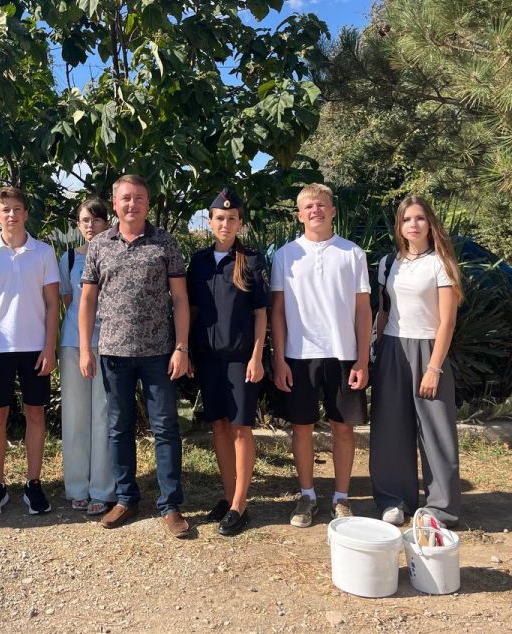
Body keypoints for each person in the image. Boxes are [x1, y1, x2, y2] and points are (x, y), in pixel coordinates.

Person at [79, 174, 192, 539]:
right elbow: (87, 301)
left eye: (139, 198)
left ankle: (170, 504)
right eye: (125, 198)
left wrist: (182, 347)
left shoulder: (165, 243)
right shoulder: (99, 245)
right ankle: (126, 498)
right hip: (113, 352)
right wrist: (85, 348)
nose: (132, 204)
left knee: (165, 428)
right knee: (119, 428)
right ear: (115, 204)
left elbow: (179, 300)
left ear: (148, 203)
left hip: (159, 353)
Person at [270, 183, 372, 527]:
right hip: (299, 355)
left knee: (343, 428)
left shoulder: (352, 253)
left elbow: (363, 310)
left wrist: (361, 358)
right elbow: (278, 311)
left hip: (343, 355)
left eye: (322, 205)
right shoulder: (285, 255)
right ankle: (307, 495)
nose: (315, 210)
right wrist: (279, 357)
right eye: (309, 206)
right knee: (302, 428)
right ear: (299, 214)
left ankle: (341, 498)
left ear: (332, 210)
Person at [371, 195, 463, 528]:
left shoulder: (441, 263)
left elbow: (447, 322)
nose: (414, 224)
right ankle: (394, 500)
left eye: (420, 218)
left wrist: (434, 367)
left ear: (430, 222)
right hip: (392, 350)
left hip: (429, 350)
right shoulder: (387, 263)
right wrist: (376, 353)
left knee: (436, 431)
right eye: (407, 219)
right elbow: (383, 312)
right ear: (400, 225)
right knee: (390, 430)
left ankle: (441, 508)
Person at [0, 187, 60, 518]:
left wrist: (50, 346)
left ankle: (33, 483)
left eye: (17, 209)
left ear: (25, 214)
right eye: (5, 210)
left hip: (36, 348)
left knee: (36, 415)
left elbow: (52, 305)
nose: (11, 215)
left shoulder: (44, 252)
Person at [187, 189, 269, 536]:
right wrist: (188, 351)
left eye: (232, 218)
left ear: (240, 223)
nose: (225, 223)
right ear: (210, 222)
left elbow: (261, 313)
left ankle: (240, 503)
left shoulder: (250, 260)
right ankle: (227, 494)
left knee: (240, 428)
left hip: (240, 359)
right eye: (219, 218)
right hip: (208, 357)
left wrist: (257, 356)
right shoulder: (200, 262)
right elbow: (191, 310)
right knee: (219, 425)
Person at [58, 197, 115, 516]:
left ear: (107, 222)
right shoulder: (67, 259)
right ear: (77, 225)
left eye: (96, 219)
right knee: (77, 415)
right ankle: (77, 486)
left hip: (108, 343)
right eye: (84, 220)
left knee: (104, 414)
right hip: (73, 344)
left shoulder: (114, 255)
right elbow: (68, 301)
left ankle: (103, 488)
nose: (90, 225)